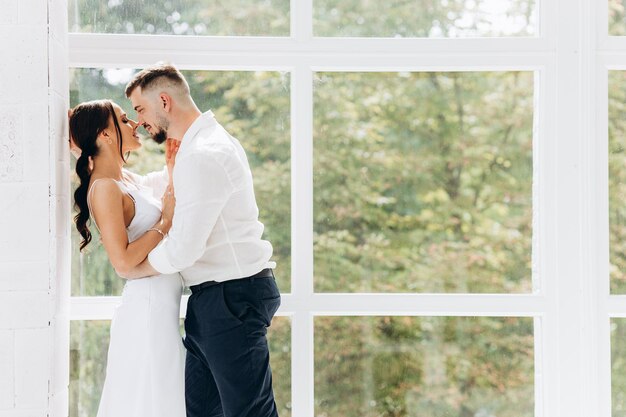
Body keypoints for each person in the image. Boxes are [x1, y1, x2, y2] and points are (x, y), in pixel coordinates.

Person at [118, 63, 281, 417]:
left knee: (249, 412)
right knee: (203, 411)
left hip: (231, 297)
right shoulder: (195, 149)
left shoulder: (205, 153)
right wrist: (97, 165)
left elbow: (184, 248)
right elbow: (159, 187)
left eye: (141, 110)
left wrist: (134, 267)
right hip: (217, 299)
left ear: (164, 100)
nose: (140, 122)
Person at [69, 99, 186, 417]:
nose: (133, 123)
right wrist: (165, 224)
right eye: (123, 119)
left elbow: (172, 178)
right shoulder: (105, 188)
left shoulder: (129, 181)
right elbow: (121, 262)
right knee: (150, 402)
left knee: (161, 399)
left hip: (161, 306)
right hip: (147, 309)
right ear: (105, 135)